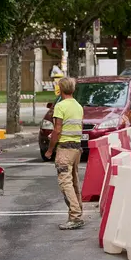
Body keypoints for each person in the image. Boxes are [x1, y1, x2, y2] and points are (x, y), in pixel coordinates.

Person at [44, 77, 85, 230]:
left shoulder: (60, 106)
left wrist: (49, 150)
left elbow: (58, 129)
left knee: (65, 183)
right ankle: (78, 211)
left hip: (65, 149)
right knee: (74, 182)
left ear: (60, 89)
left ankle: (75, 216)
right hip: (76, 148)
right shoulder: (78, 106)